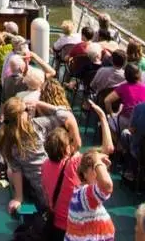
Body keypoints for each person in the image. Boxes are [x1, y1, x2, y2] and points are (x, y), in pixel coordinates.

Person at [41, 100, 113, 240]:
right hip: (74, 227)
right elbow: (108, 148)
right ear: (67, 148)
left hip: (55, 225)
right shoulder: (75, 162)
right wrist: (103, 117)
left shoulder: (44, 165)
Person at [0, 96, 81, 213]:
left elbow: (16, 170)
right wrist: (39, 103)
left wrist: (18, 198)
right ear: (21, 116)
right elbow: (67, 116)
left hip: (43, 195)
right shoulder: (37, 125)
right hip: (63, 185)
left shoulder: (6, 141)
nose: (29, 111)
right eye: (26, 110)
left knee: (10, 170)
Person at [64, 150, 114, 241]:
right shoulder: (84, 196)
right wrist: (97, 160)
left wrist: (99, 162)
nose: (101, 173)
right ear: (85, 173)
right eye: (96, 169)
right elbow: (107, 186)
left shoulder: (83, 193)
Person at [104, 63, 145, 136]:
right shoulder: (143, 87)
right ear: (139, 74)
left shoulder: (123, 87)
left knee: (107, 122)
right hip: (141, 121)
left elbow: (107, 100)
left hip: (126, 120)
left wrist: (111, 114)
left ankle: (118, 143)